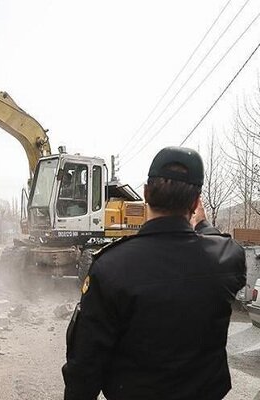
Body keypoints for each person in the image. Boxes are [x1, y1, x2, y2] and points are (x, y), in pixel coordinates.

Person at [62, 146, 246, 400]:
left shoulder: (111, 266)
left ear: (146, 194)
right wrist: (203, 224)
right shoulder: (227, 258)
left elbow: (85, 364)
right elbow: (218, 245)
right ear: (195, 203)